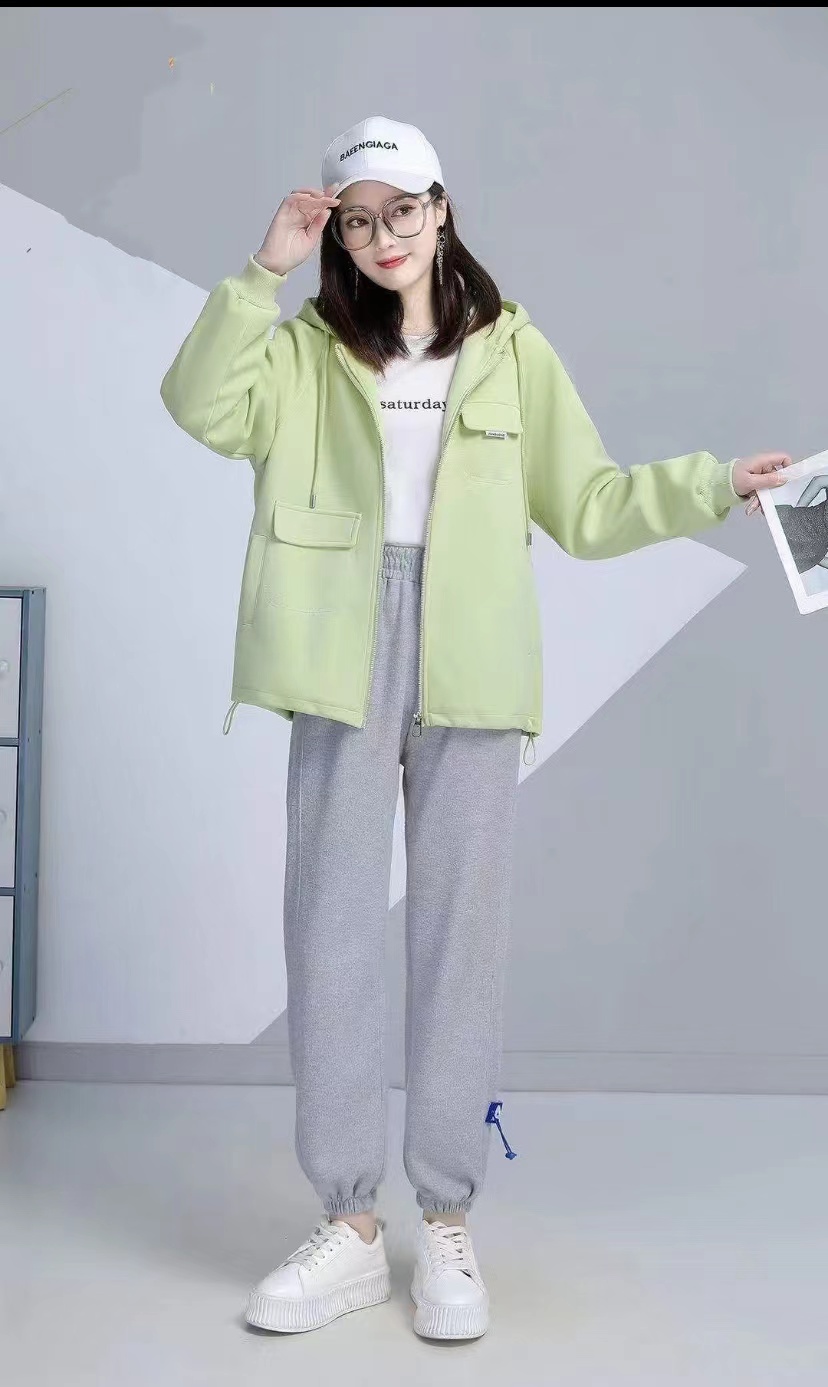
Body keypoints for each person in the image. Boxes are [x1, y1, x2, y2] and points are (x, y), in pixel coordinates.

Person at [160, 115, 790, 1341]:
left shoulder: (513, 351)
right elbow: (198, 405)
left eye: (403, 210)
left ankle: (446, 1217)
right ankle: (351, 1226)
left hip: (475, 653)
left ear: (442, 207)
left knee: (460, 940)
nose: (383, 237)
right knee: (331, 933)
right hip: (338, 650)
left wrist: (716, 484)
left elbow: (589, 505)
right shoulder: (302, 348)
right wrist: (259, 271)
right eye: (357, 219)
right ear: (337, 232)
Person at [775, 474, 828, 574]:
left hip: (806, 551)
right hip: (794, 520)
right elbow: (819, 481)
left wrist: (817, 557)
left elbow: (820, 480)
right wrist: (800, 509)